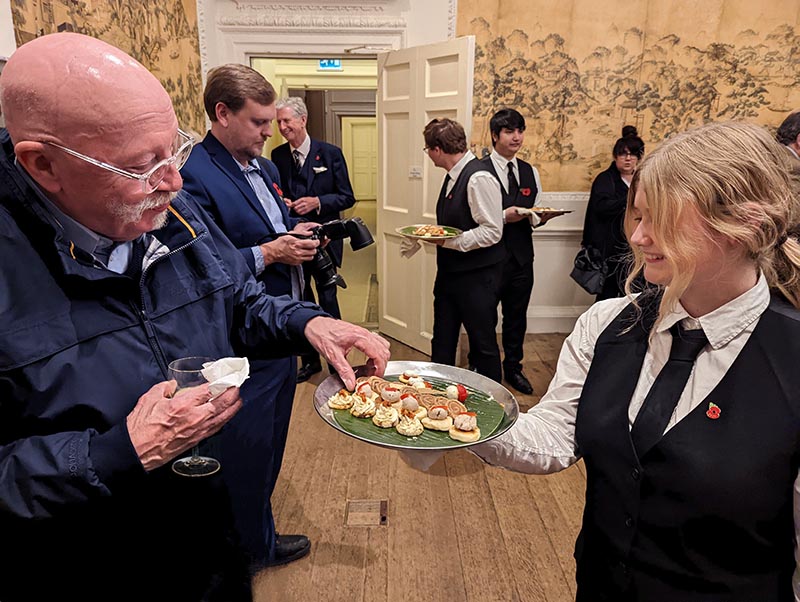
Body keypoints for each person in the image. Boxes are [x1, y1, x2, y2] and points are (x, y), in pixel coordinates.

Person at [0, 32, 390, 602]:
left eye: (175, 152)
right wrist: (116, 453)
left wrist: (307, 323)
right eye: (142, 166)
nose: (175, 183)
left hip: (208, 531)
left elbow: (235, 299)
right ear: (44, 164)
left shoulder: (169, 208)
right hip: (82, 563)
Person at [470, 121, 800, 600]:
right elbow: (556, 435)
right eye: (638, 216)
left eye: (660, 220)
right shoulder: (607, 323)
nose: (639, 237)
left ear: (743, 224)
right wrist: (459, 417)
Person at [180, 64, 320, 569]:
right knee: (244, 452)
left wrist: (298, 233)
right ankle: (241, 556)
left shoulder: (265, 167)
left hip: (279, 332)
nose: (270, 131)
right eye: (260, 122)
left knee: (268, 448)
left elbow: (274, 225)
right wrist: (270, 254)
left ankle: (257, 536)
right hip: (240, 339)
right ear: (222, 113)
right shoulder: (192, 175)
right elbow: (197, 270)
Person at [271, 97, 357, 383]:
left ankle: (337, 361)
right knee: (302, 298)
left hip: (325, 241)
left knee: (328, 299)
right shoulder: (278, 156)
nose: (282, 127)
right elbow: (276, 193)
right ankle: (309, 360)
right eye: (279, 122)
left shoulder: (330, 154)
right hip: (295, 239)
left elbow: (347, 196)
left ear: (303, 119)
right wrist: (282, 202)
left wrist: (318, 202)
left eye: (287, 121)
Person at [480, 108, 561, 395]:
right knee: (485, 316)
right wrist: (503, 216)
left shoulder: (529, 171)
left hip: (522, 258)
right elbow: (474, 217)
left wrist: (541, 217)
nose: (517, 137)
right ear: (495, 135)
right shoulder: (479, 171)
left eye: (520, 131)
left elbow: (535, 210)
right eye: (510, 131)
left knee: (517, 316)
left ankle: (513, 367)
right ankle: (484, 368)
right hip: (487, 258)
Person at [422, 118, 504, 383]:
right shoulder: (452, 177)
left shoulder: (478, 177)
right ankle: (438, 399)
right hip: (449, 275)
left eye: (427, 150)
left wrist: (447, 242)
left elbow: (492, 231)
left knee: (483, 344)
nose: (429, 155)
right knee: (442, 340)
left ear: (436, 149)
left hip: (477, 278)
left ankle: (496, 407)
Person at [580, 126, 645, 301]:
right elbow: (601, 208)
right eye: (623, 154)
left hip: (636, 245)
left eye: (633, 154)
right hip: (610, 248)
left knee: (635, 292)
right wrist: (629, 199)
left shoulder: (643, 180)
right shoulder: (605, 180)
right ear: (616, 156)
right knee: (608, 294)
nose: (628, 159)